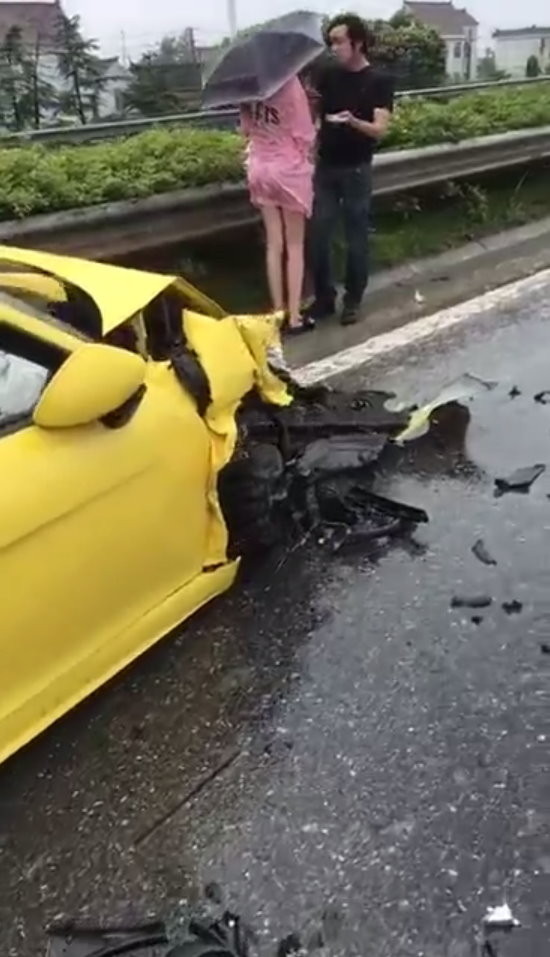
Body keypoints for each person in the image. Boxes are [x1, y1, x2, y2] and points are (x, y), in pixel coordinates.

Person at [305, 14, 395, 326]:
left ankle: (353, 298)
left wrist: (354, 121)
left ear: (357, 42)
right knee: (318, 234)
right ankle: (324, 297)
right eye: (331, 42)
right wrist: (311, 110)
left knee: (356, 236)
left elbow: (380, 129)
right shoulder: (327, 74)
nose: (334, 47)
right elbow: (315, 112)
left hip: (357, 167)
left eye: (339, 41)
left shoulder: (379, 80)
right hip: (326, 166)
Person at [240, 75, 316, 333]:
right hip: (287, 170)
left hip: (259, 167)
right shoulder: (289, 83)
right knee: (295, 245)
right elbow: (305, 133)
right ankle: (294, 316)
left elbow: (246, 130)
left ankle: (277, 311)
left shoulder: (249, 87)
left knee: (274, 244)